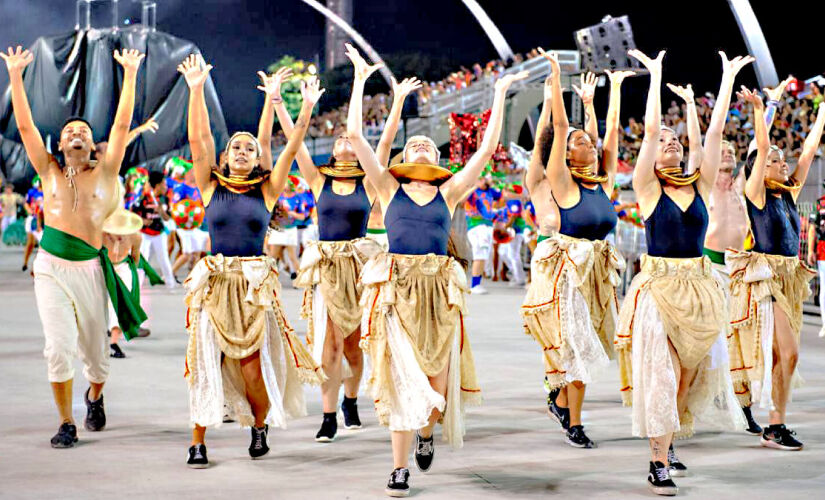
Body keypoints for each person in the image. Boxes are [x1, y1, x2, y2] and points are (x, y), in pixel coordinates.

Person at [344, 43, 527, 497]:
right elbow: (356, 136)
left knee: (435, 389)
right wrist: (361, 80)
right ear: (406, 157)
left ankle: (427, 434)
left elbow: (486, 151)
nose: (423, 145)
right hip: (397, 291)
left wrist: (500, 93)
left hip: (439, 293)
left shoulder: (449, 193)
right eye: (415, 143)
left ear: (437, 157)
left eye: (428, 144)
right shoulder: (388, 188)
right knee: (402, 382)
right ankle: (399, 467)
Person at [614, 49, 750, 495]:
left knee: (688, 376)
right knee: (663, 372)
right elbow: (652, 129)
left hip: (700, 286)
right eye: (665, 143)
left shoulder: (703, 184)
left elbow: (712, 134)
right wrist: (654, 76)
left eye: (677, 142)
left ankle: (668, 438)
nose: (671, 143)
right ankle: (658, 459)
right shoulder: (648, 189)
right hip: (660, 288)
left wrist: (727, 77)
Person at [178, 54, 324, 468]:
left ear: (258, 159)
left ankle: (258, 427)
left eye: (250, 147)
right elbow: (198, 138)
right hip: (214, 282)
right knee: (204, 363)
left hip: (254, 287)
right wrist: (195, 90)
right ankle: (197, 441)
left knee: (251, 371)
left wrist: (305, 107)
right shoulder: (210, 187)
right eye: (235, 147)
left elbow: (292, 144)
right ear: (224, 159)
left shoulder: (267, 189)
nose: (242, 149)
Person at [2, 45, 147, 448]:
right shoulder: (47, 168)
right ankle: (66, 422)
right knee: (58, 348)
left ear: (91, 143)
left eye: (82, 130)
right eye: (69, 131)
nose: (76, 133)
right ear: (60, 145)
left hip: (90, 268)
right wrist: (15, 75)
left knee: (97, 359)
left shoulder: (106, 171)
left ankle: (94, 396)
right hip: (50, 266)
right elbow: (26, 126)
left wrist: (131, 74)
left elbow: (121, 126)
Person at [272, 63, 420, 442]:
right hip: (326, 269)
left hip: (359, 266)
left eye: (349, 139)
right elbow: (295, 141)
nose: (343, 141)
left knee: (355, 346)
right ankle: (328, 415)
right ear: (334, 151)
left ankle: (351, 400)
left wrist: (395, 99)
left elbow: (384, 143)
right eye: (339, 139)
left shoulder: (368, 185)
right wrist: (278, 102)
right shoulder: (318, 179)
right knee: (329, 344)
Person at [521, 49, 631, 448]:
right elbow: (560, 126)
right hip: (565, 275)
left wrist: (609, 93)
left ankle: (559, 400)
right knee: (578, 347)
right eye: (580, 141)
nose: (589, 141)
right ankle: (576, 424)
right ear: (566, 154)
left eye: (588, 140)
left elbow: (612, 133)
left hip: (599, 276)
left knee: (589, 346)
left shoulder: (602, 183)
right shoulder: (559, 184)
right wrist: (556, 78)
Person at [727, 85, 825, 452]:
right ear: (759, 166)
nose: (783, 162)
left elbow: (811, 148)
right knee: (787, 353)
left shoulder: (788, 193)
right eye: (775, 159)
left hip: (790, 277)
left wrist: (822, 115)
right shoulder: (756, 194)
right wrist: (761, 109)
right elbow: (763, 148)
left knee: (784, 355)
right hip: (765, 278)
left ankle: (775, 423)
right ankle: (770, 420)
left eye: (784, 159)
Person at [704, 77, 794, 436]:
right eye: (721, 151)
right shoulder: (707, 184)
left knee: (740, 339)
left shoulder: (743, 187)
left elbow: (762, 145)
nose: (726, 153)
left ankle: (741, 404)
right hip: (708, 265)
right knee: (709, 338)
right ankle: (706, 390)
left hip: (739, 270)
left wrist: (769, 107)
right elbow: (709, 145)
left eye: (730, 151)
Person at [102, 205, 144, 358]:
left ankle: (114, 342)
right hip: (102, 267)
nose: (120, 235)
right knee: (95, 304)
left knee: (119, 306)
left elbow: (135, 258)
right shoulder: (100, 234)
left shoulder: (136, 236)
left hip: (122, 268)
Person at [132, 170, 177, 287]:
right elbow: (132, 215)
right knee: (143, 258)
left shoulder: (164, 200)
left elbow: (167, 219)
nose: (166, 187)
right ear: (157, 185)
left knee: (164, 258)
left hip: (159, 233)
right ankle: (138, 284)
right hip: (145, 234)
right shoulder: (143, 199)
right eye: (164, 184)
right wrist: (143, 221)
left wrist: (161, 211)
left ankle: (170, 283)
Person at [465, 174, 501, 294]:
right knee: (480, 254)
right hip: (477, 226)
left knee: (483, 255)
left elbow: (503, 195)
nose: (487, 180)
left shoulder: (490, 191)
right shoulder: (472, 191)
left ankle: (477, 284)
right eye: (484, 178)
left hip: (487, 226)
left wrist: (493, 183)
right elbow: (462, 201)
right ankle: (474, 285)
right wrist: (474, 184)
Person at [807, 181, 825, 338]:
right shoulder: (819, 204)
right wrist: (810, 250)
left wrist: (810, 250)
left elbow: (812, 228)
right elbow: (812, 228)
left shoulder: (819, 204)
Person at [22, 175, 44, 271]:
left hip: (45, 220)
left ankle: (35, 267)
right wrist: (30, 211)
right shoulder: (32, 192)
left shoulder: (49, 192)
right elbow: (26, 203)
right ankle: (25, 262)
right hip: (33, 219)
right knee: (30, 243)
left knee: (42, 245)